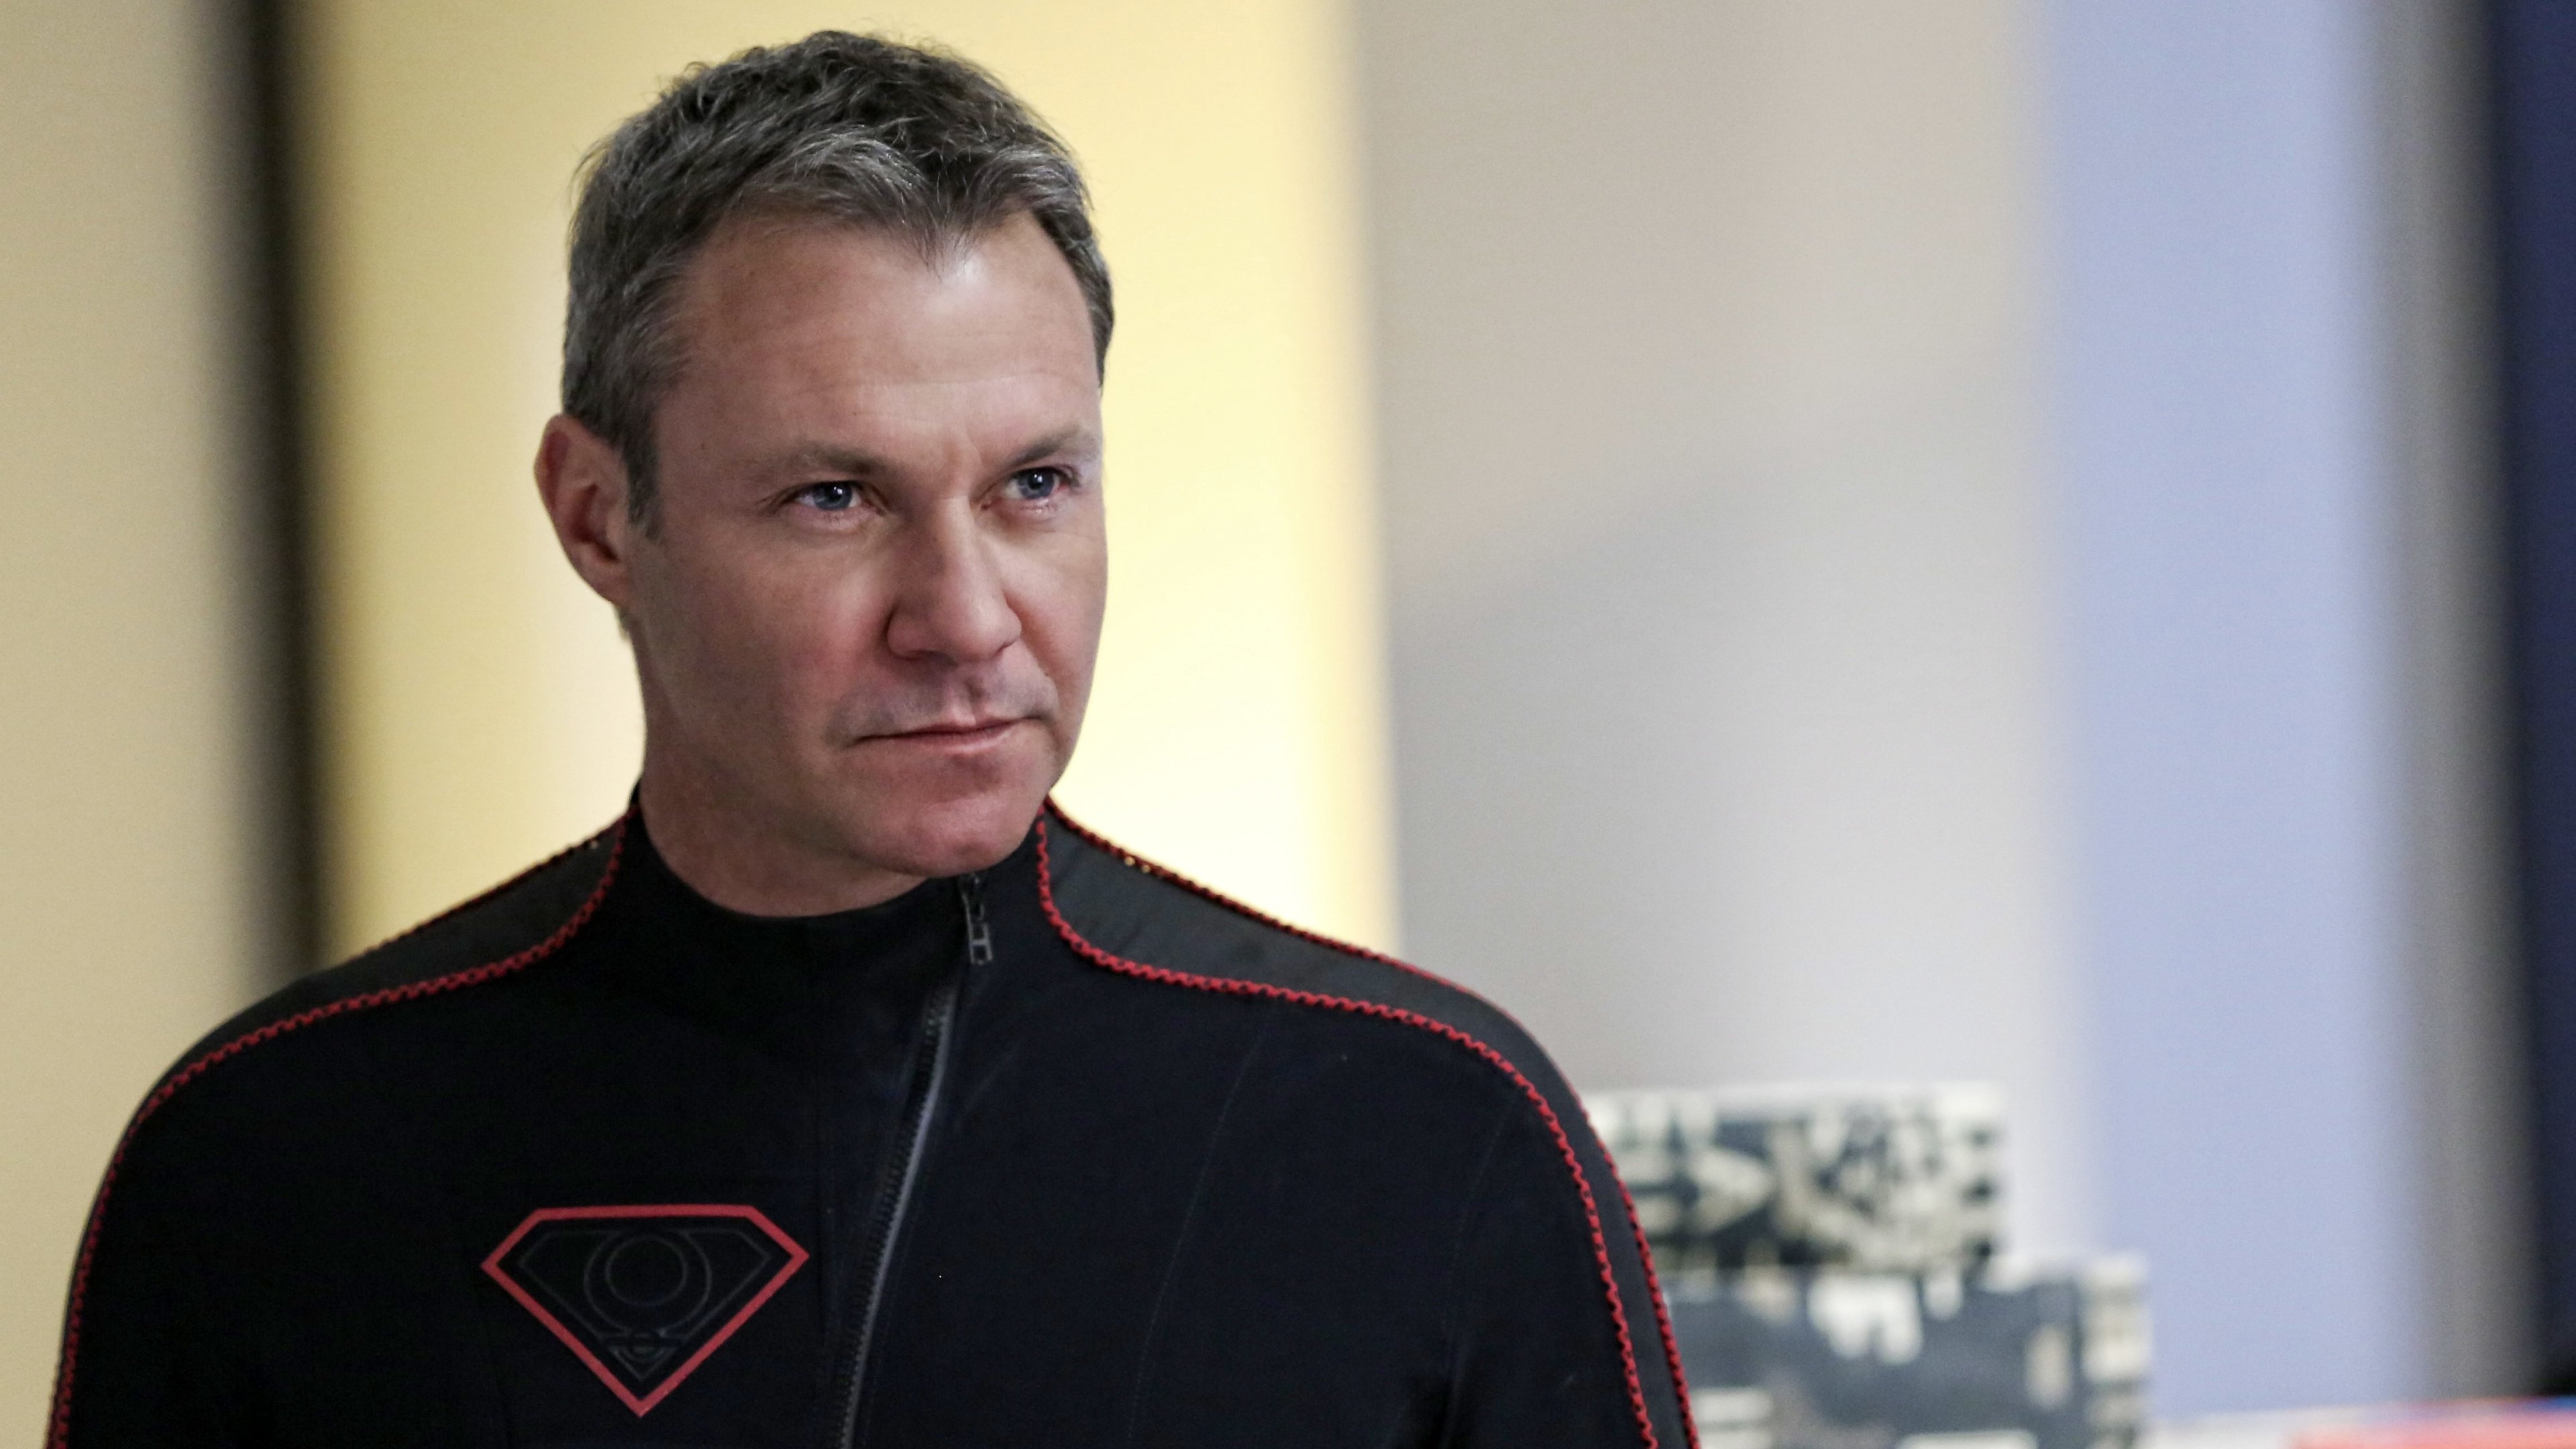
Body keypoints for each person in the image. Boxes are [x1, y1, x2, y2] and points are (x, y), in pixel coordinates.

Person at [49, 32, 1691, 1448]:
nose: (966, 619)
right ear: (600, 517)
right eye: (836, 497)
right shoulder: (273, 1155)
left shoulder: (1429, 1128)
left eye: (1034, 485)